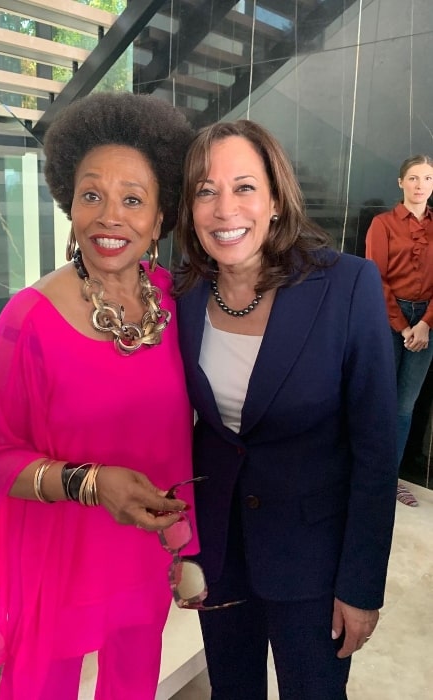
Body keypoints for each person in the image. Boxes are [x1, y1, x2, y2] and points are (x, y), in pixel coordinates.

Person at [0, 91, 198, 700]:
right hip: (59, 560)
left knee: (132, 684)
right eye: (91, 194)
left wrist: (187, 543)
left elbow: (183, 438)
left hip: (142, 552)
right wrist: (91, 483)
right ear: (69, 201)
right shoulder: (29, 322)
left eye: (132, 199)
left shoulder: (177, 302)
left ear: (160, 216)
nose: (109, 216)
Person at [174, 119, 398, 700]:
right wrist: (187, 545)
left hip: (314, 564)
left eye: (244, 187)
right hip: (222, 554)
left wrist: (362, 584)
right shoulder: (183, 296)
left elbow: (376, 451)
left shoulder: (347, 285)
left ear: (275, 199)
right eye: (206, 190)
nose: (225, 208)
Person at [366, 155, 433, 507]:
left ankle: (390, 479)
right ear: (401, 182)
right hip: (388, 317)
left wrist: (424, 324)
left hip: (428, 323)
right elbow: (375, 278)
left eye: (427, 178)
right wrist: (404, 325)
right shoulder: (383, 224)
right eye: (413, 178)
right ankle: (369, 476)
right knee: (379, 401)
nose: (420, 185)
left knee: (405, 406)